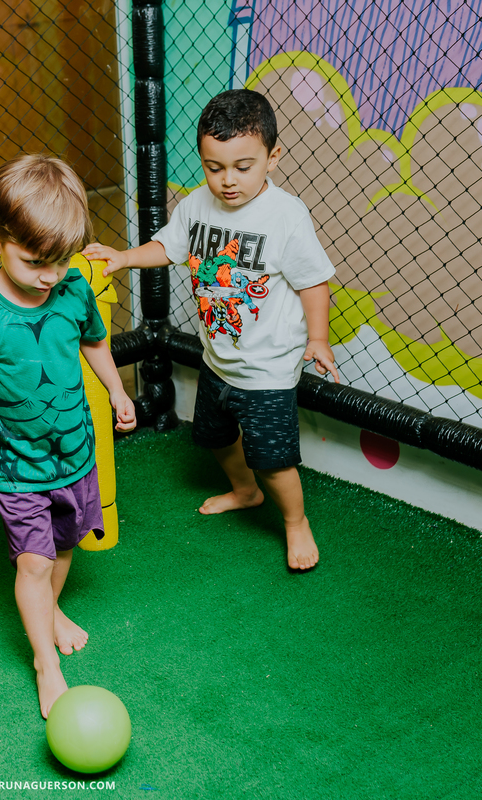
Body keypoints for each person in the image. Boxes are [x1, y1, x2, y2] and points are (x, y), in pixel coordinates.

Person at [0, 154, 137, 718]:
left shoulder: (73, 292)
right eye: (36, 261)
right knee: (33, 563)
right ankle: (46, 662)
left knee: (63, 548)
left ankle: (50, 610)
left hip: (74, 453)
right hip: (14, 464)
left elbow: (93, 344)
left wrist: (116, 391)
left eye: (61, 261)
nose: (50, 275)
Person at [83, 89, 338, 571]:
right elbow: (168, 247)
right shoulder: (197, 205)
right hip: (218, 358)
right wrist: (122, 258)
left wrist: (318, 338)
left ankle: (294, 522)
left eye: (243, 167)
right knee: (215, 436)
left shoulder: (286, 216)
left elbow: (313, 283)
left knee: (273, 459)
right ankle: (245, 492)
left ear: (273, 156)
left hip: (267, 369)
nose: (227, 181)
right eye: (213, 166)